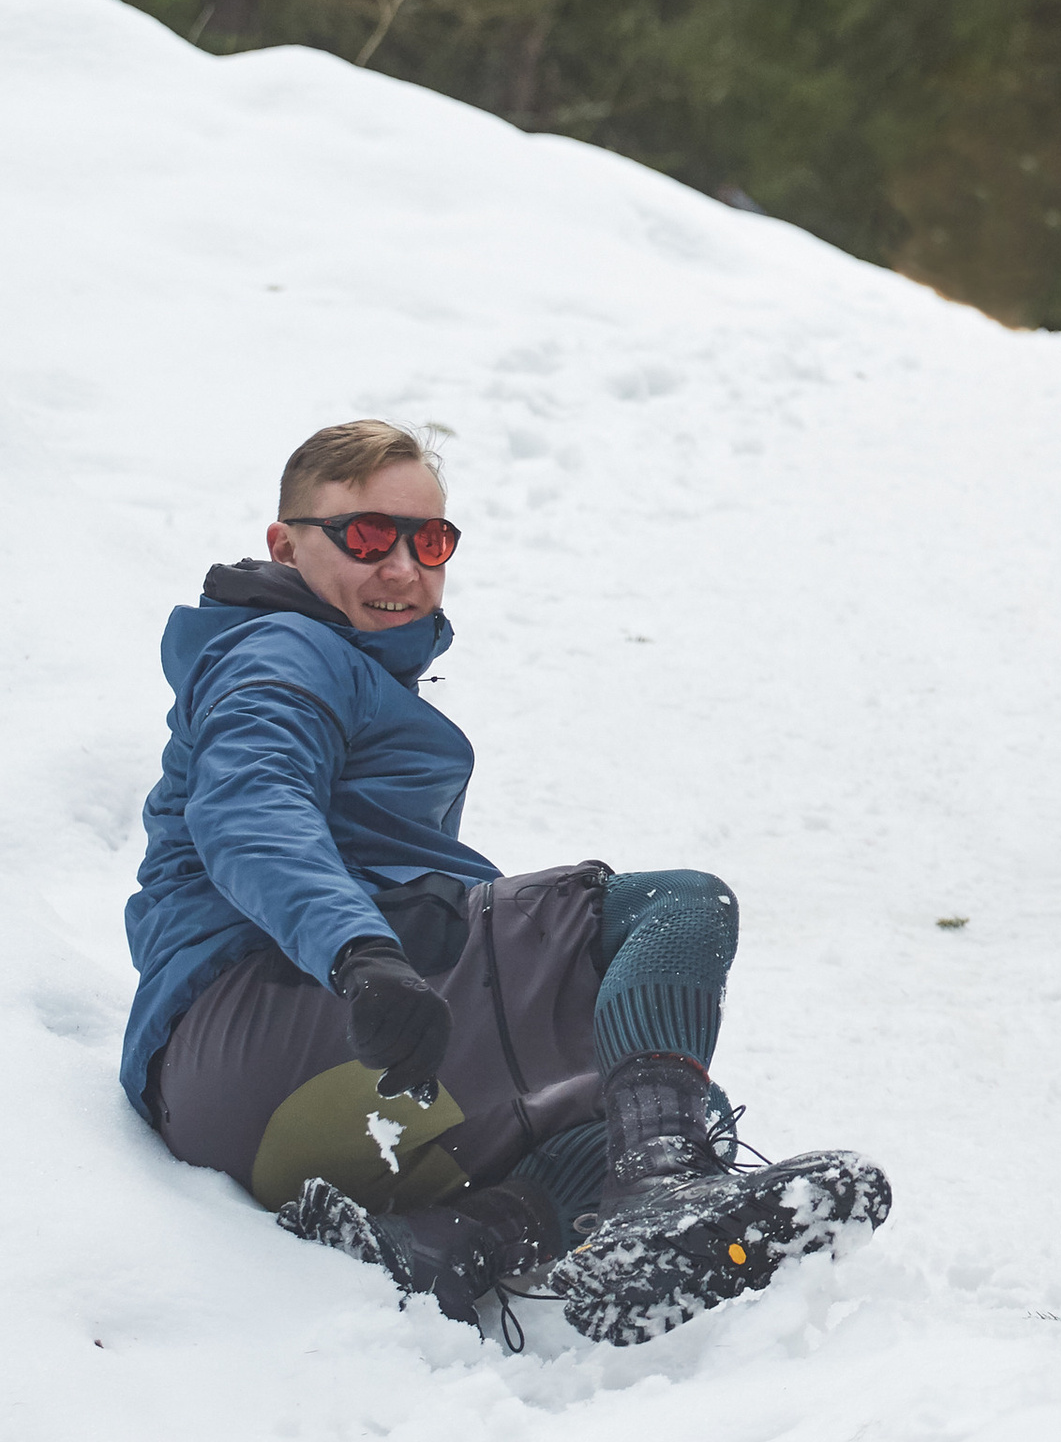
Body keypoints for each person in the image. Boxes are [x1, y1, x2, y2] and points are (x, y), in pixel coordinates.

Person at [124, 418, 888, 1343]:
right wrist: (359, 952)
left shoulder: (339, 669)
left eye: (430, 542)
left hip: (245, 1111)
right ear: (285, 543)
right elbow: (250, 807)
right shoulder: (284, 651)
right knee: (675, 907)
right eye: (365, 537)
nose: (402, 568)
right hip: (269, 1015)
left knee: (660, 1113)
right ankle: (664, 1195)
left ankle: (447, 1243)